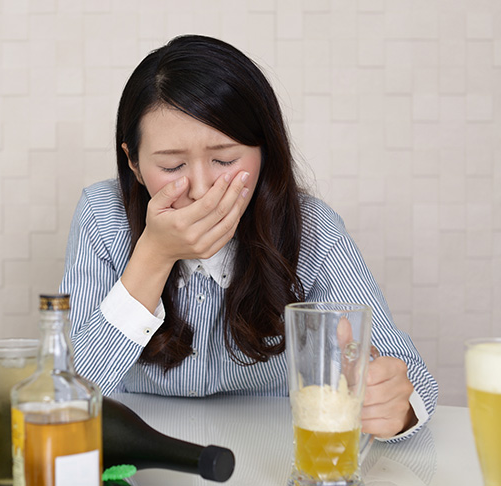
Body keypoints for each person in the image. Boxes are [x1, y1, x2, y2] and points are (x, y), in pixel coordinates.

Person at [59, 35, 438, 441]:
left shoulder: (312, 228)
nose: (202, 188)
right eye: (172, 165)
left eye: (224, 160)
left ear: (265, 152)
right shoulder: (103, 215)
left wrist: (396, 406)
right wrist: (154, 255)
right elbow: (63, 392)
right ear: (133, 162)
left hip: (274, 453)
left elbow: (411, 378)